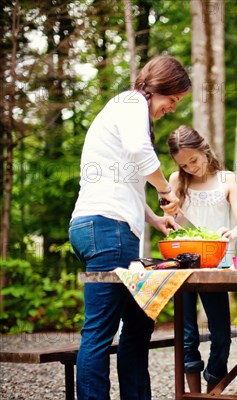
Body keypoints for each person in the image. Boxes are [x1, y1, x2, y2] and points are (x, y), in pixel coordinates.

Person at [69, 56, 191, 399]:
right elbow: (140, 152)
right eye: (173, 99)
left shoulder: (124, 108)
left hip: (97, 226)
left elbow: (123, 179)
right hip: (108, 230)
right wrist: (166, 191)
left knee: (138, 325)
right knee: (100, 332)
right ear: (158, 88)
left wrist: (154, 217)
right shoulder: (131, 102)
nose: (172, 108)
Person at [167, 125, 237, 393]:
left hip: (217, 264)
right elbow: (171, 223)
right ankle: (192, 395)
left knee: (222, 335)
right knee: (187, 335)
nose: (190, 167)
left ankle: (213, 390)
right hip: (183, 265)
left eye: (194, 160)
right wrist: (170, 215)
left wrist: (230, 235)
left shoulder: (227, 179)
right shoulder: (177, 181)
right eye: (184, 164)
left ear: (204, 149)